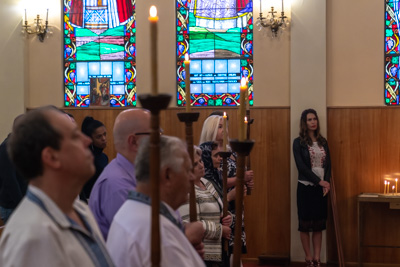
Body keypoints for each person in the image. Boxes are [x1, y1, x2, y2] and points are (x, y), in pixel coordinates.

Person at [0, 106, 114, 267]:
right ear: (51, 157)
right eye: (75, 137)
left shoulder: (79, 209)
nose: (87, 141)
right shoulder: (32, 237)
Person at [107, 135, 206, 267]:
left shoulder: (129, 211)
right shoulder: (157, 233)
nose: (192, 177)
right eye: (187, 170)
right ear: (167, 175)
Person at [89, 108, 150, 240]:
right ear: (133, 141)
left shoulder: (132, 173)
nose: (159, 142)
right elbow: (139, 241)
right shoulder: (117, 185)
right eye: (154, 135)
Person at [199, 115, 253, 255]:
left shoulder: (232, 150)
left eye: (225, 126)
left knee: (235, 249)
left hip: (235, 203)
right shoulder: (206, 152)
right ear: (211, 129)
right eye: (220, 126)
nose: (224, 130)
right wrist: (240, 179)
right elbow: (212, 180)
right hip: (219, 202)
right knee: (225, 248)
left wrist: (247, 180)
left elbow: (239, 173)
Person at [179, 146, 232, 266]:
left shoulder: (207, 182)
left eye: (201, 161)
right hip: (203, 253)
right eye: (195, 164)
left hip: (219, 251)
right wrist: (220, 230)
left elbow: (218, 209)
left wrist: (226, 217)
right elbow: (189, 224)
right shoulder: (187, 190)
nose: (201, 165)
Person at [293, 108, 331, 267]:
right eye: (309, 120)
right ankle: (308, 257)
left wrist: (326, 182)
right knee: (305, 224)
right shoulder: (298, 142)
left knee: (318, 224)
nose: (313, 122)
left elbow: (328, 165)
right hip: (306, 187)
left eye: (314, 119)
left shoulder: (323, 141)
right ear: (304, 123)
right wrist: (319, 181)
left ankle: (317, 258)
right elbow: (301, 167)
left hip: (321, 188)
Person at [0, 115, 27, 224]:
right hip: (12, 206)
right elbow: (10, 180)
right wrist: (22, 204)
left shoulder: (21, 146)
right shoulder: (7, 147)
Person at [80, 116, 108, 202]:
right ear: (90, 139)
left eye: (104, 134)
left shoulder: (104, 157)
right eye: (99, 137)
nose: (103, 139)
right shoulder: (85, 158)